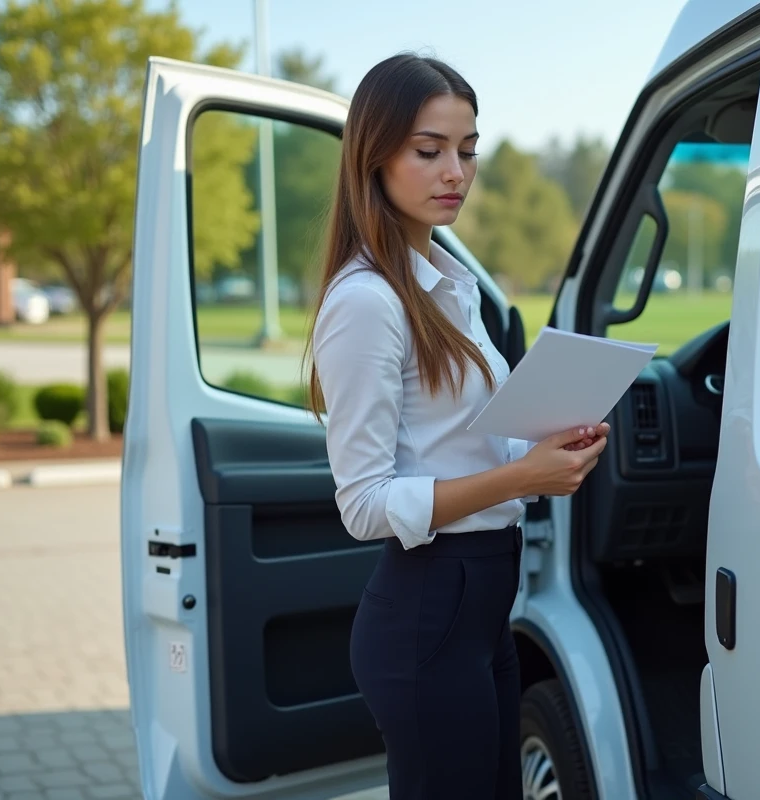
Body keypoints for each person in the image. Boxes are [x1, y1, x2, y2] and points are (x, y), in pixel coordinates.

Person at [303, 53, 610, 800]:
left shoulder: (447, 283)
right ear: (375, 157)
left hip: (480, 610)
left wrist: (547, 450)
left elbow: (470, 443)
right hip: (428, 611)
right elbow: (363, 503)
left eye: (467, 151)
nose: (456, 173)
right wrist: (521, 477)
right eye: (429, 150)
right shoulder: (367, 302)